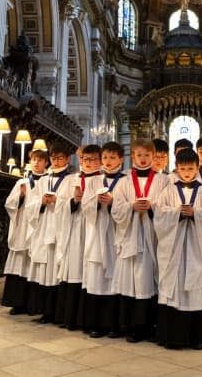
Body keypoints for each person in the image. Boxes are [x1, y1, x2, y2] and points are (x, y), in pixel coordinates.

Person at [154, 148, 202, 349]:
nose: (186, 172)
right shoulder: (168, 191)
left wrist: (196, 214)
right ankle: (173, 337)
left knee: (196, 288)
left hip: (197, 246)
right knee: (174, 287)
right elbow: (159, 216)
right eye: (182, 168)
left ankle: (198, 337)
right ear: (176, 168)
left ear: (197, 168)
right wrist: (177, 213)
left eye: (190, 168)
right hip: (174, 248)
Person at [111, 138, 169, 342]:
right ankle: (132, 326)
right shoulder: (124, 181)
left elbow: (169, 206)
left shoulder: (163, 181)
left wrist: (153, 208)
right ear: (132, 156)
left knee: (151, 280)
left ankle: (152, 325)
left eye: (147, 155)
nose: (143, 159)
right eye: (139, 155)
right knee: (132, 281)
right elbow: (116, 209)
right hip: (131, 236)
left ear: (154, 157)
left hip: (153, 236)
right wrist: (131, 207)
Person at [24, 142, 74, 323]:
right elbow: (31, 205)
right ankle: (44, 310)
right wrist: (42, 203)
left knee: (56, 271)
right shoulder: (43, 180)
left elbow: (75, 204)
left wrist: (58, 200)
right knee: (43, 271)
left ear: (68, 159)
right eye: (54, 158)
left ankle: (56, 312)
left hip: (61, 230)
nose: (57, 161)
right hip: (44, 228)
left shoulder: (72, 179)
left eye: (60, 158)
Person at [80, 142, 125, 338]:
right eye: (105, 157)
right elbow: (85, 206)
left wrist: (114, 203)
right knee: (97, 279)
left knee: (116, 280)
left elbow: (128, 207)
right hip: (97, 234)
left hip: (116, 234)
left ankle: (114, 324)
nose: (108, 161)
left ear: (121, 159)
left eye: (112, 158)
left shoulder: (126, 181)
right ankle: (96, 324)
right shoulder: (94, 181)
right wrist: (96, 203)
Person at [54, 144, 101, 329]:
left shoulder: (104, 180)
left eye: (92, 159)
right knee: (74, 270)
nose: (88, 163)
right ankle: (70, 318)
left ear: (99, 160)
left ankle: (88, 319)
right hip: (74, 230)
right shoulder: (70, 180)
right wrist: (73, 201)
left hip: (95, 229)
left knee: (92, 274)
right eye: (85, 159)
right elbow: (59, 207)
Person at [2, 149, 48, 315]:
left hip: (39, 227)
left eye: (40, 160)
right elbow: (9, 204)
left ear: (46, 163)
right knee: (20, 263)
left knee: (35, 265)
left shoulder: (48, 182)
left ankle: (33, 304)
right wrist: (20, 197)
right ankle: (17, 303)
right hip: (22, 227)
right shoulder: (22, 183)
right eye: (34, 159)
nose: (36, 163)